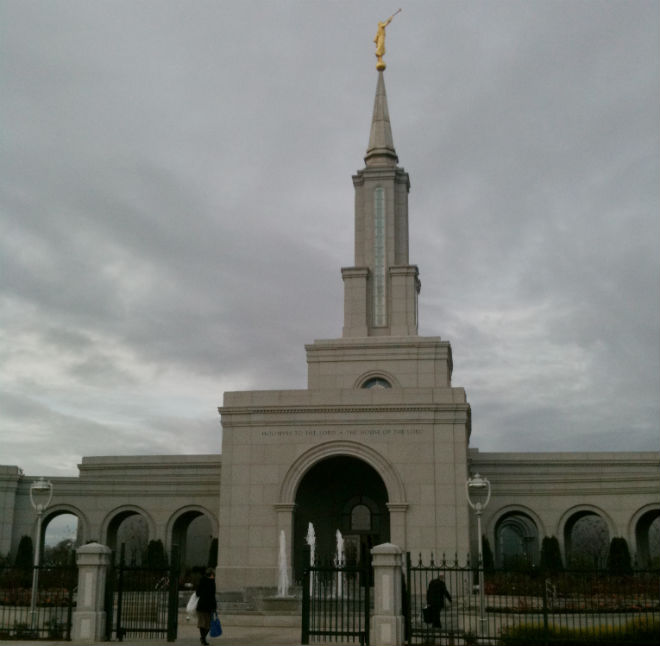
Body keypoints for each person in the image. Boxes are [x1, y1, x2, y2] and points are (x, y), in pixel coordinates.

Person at [196, 567, 217, 645]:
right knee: (208, 624)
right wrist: (214, 607)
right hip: (209, 606)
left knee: (202, 623)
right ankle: (203, 638)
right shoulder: (212, 583)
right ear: (212, 574)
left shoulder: (202, 581)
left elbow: (197, 593)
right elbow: (213, 595)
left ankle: (203, 638)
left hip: (201, 605)